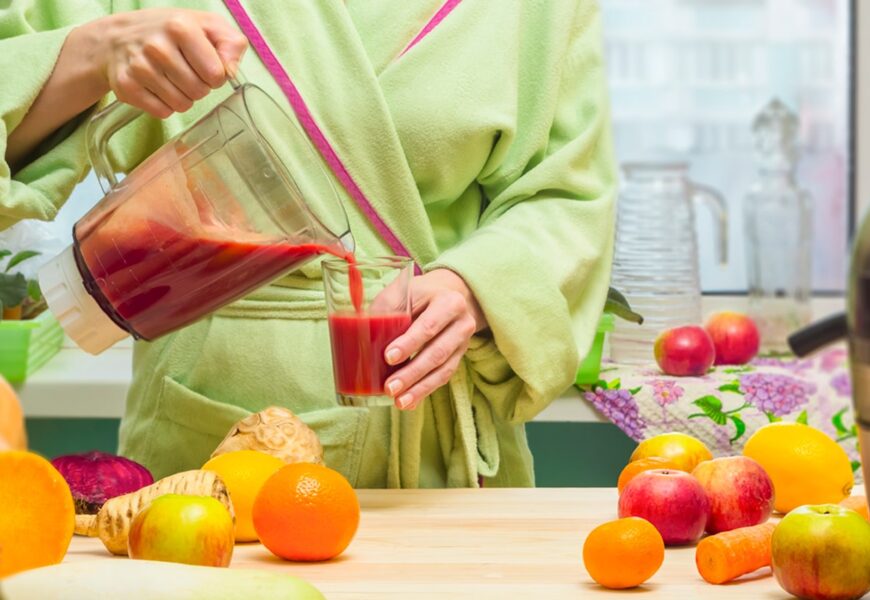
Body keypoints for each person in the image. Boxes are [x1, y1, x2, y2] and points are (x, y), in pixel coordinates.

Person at [0, 1, 616, 487]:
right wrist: (95, 50)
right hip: (209, 455)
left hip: (441, 456)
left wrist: (478, 286)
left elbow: (568, 190)